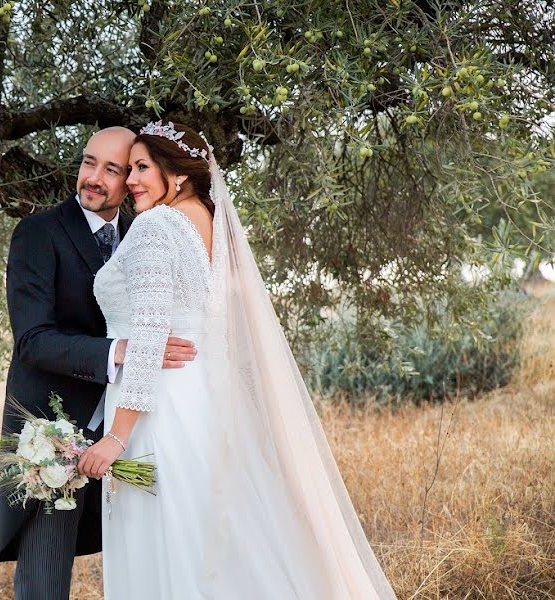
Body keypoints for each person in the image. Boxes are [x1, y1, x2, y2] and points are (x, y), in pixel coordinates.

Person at [78, 121, 398, 599]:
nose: (131, 182)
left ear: (178, 174)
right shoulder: (210, 222)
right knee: (220, 543)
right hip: (203, 402)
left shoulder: (155, 225)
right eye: (131, 169)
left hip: (156, 416)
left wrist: (117, 438)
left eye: (142, 168)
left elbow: (148, 332)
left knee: (170, 545)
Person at [0, 126, 196, 600]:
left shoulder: (145, 231)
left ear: (133, 179)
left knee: (150, 564)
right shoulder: (38, 233)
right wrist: (121, 350)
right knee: (44, 580)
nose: (93, 178)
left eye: (112, 169)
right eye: (88, 162)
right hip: (52, 430)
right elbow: (33, 340)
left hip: (137, 428)